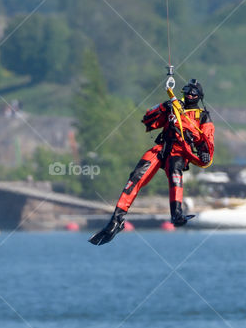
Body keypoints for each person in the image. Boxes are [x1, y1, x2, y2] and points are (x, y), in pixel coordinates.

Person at [89, 79, 214, 245]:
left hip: (180, 151)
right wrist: (164, 106)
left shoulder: (202, 116)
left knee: (175, 173)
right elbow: (148, 119)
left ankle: (176, 214)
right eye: (187, 91)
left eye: (194, 93)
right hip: (162, 148)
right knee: (136, 177)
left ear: (199, 96)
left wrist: (205, 153)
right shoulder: (174, 107)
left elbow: (208, 139)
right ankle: (116, 220)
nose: (190, 94)